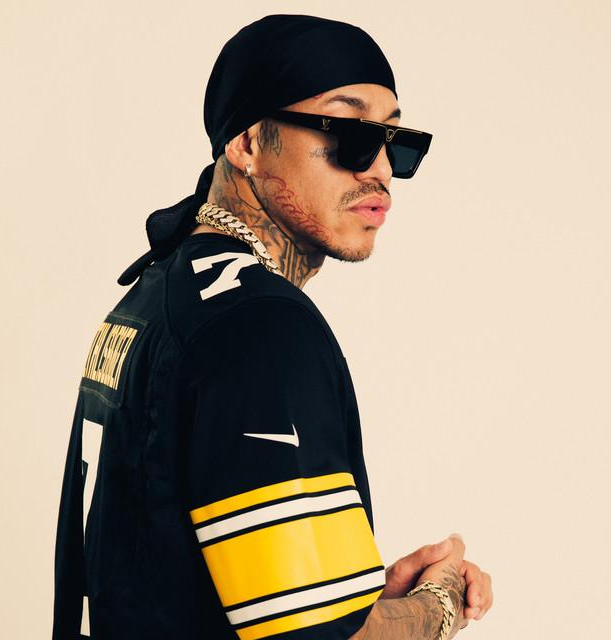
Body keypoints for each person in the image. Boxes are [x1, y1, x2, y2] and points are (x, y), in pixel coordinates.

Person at [52, 13, 493, 640]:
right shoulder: (262, 326)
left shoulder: (158, 293)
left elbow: (175, 571)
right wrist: (439, 602)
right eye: (349, 133)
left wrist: (348, 599)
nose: (380, 170)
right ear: (248, 143)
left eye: (395, 142)